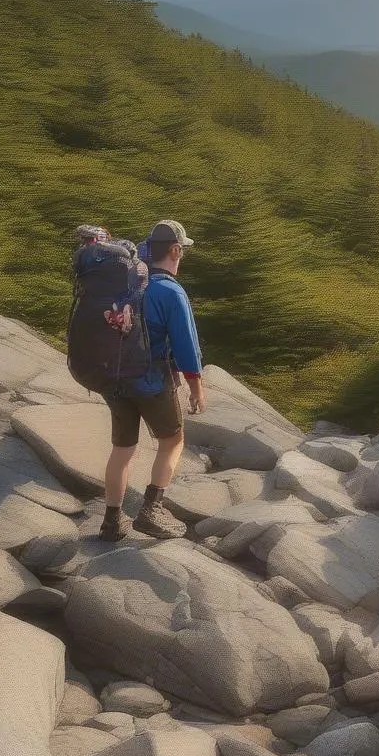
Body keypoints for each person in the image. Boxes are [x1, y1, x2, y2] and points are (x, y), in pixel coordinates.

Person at [99, 218, 207, 542]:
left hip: (115, 379)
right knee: (173, 441)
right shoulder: (171, 291)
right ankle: (151, 509)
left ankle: (111, 522)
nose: (182, 256)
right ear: (174, 251)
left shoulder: (128, 285)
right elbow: (187, 348)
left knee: (122, 449)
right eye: (182, 250)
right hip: (152, 381)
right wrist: (196, 389)